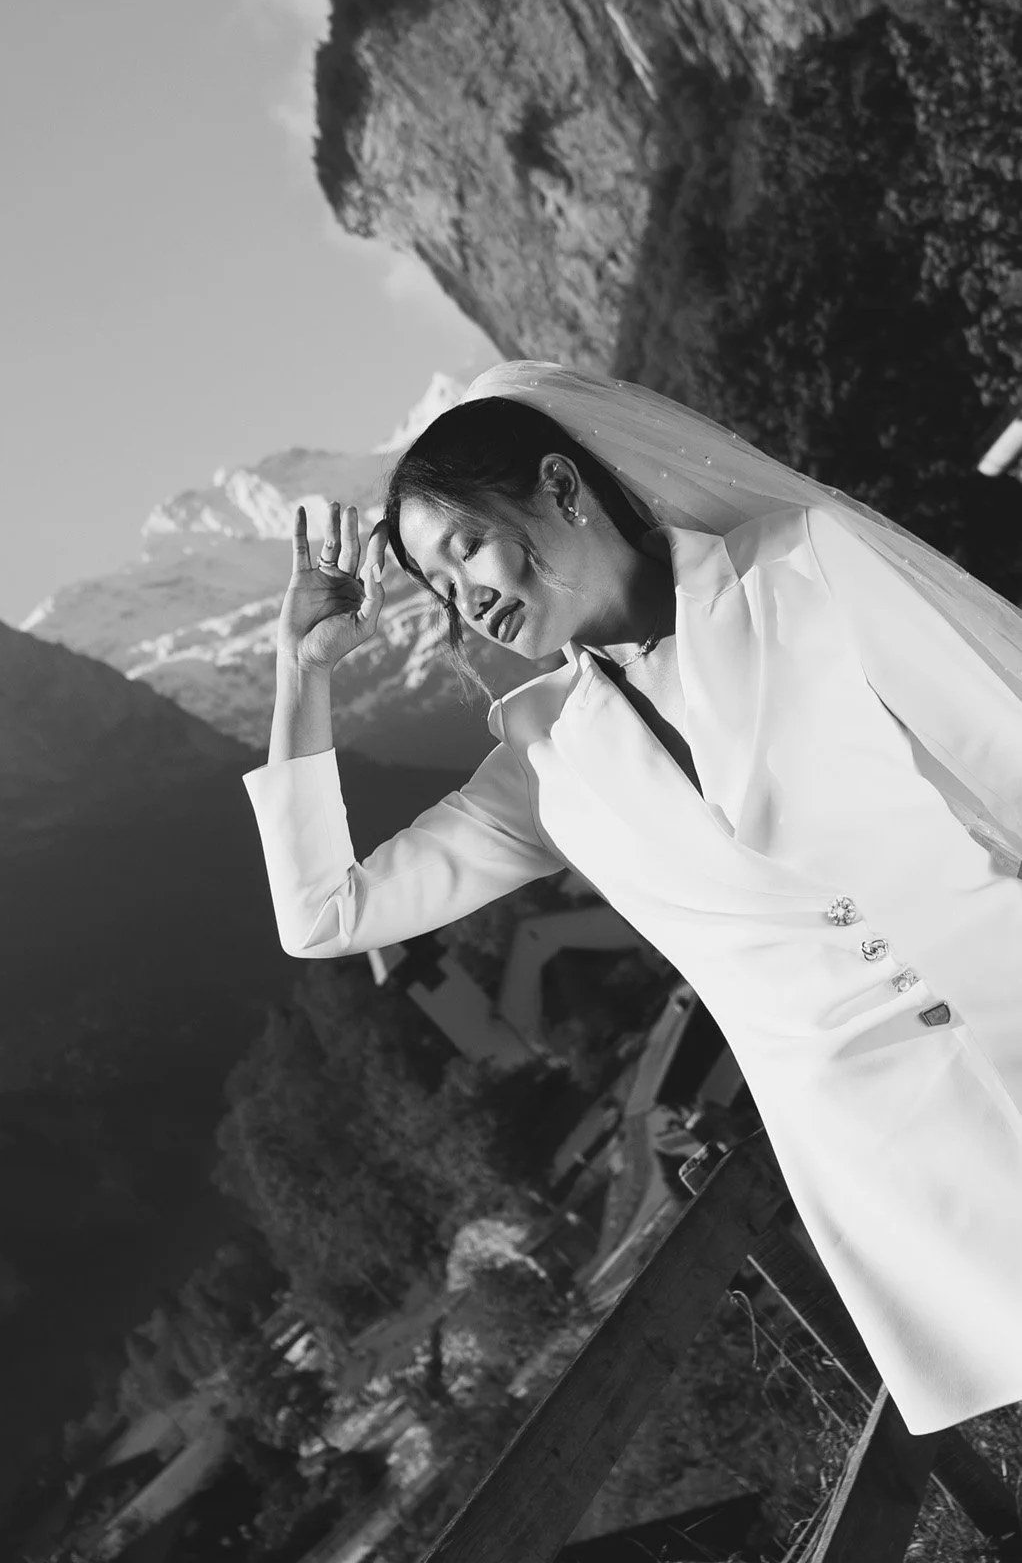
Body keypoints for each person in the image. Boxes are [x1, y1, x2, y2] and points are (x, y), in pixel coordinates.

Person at [243, 360, 1022, 1438]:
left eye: (463, 543)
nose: (460, 594)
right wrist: (303, 669)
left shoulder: (804, 565)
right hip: (913, 1167)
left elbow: (1008, 752)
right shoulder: (544, 752)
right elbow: (322, 913)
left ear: (562, 485)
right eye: (432, 581)